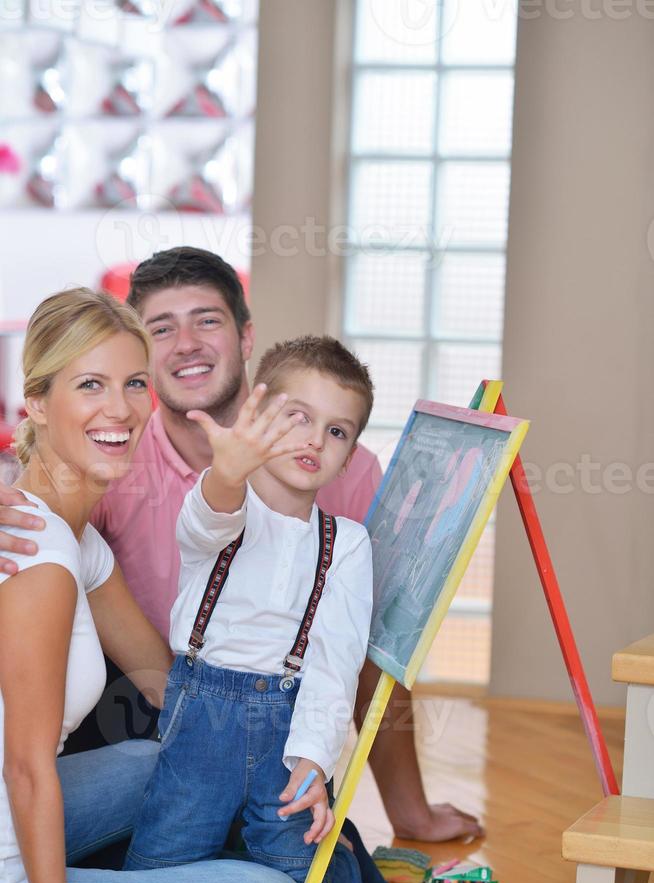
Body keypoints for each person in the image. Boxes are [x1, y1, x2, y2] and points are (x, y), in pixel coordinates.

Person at [0, 246, 482, 843]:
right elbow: (36, 488)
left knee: (329, 855)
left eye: (206, 320)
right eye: (161, 329)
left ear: (246, 336)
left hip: (271, 719)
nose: (186, 344)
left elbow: (370, 655)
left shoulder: (341, 469)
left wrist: (410, 810)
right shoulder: (114, 450)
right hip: (122, 708)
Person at [0, 288, 302, 883]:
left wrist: (294, 764)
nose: (121, 409)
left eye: (135, 382)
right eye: (90, 385)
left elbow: (171, 689)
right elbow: (24, 767)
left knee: (151, 761)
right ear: (38, 404)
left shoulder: (73, 538)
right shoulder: (37, 558)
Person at [125, 337, 374, 883]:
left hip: (286, 736)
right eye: (297, 417)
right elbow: (210, 516)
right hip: (200, 723)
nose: (315, 440)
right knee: (153, 875)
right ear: (255, 420)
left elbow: (335, 669)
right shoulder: (223, 506)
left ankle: (341, 870)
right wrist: (227, 471)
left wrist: (314, 764)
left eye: (337, 431)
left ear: (349, 456)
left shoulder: (347, 544)